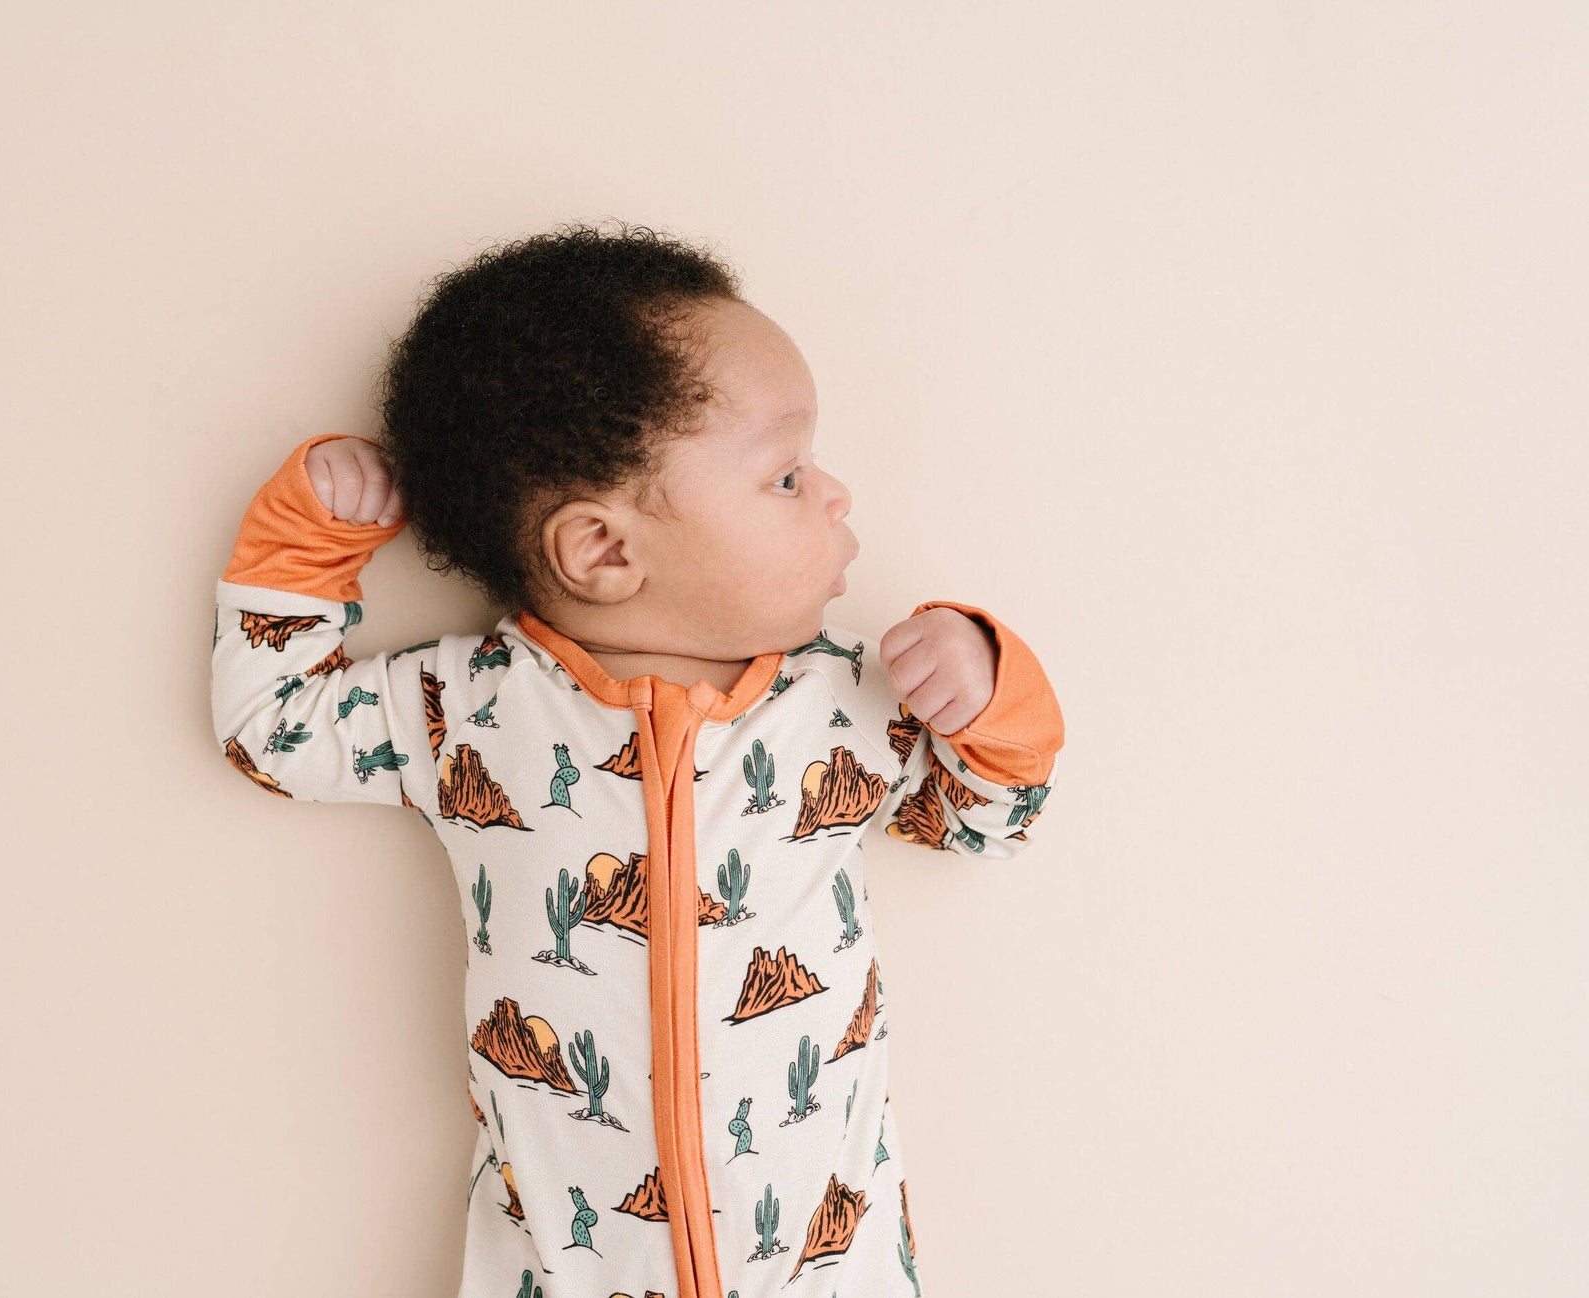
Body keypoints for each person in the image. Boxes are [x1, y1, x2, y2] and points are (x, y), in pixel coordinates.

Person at [210, 220, 1065, 1298]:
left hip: (824, 1268)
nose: (837, 493)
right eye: (786, 476)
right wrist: (310, 539)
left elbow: (986, 819)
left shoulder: (848, 701)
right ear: (604, 549)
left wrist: (984, 682)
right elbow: (274, 728)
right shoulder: (465, 707)